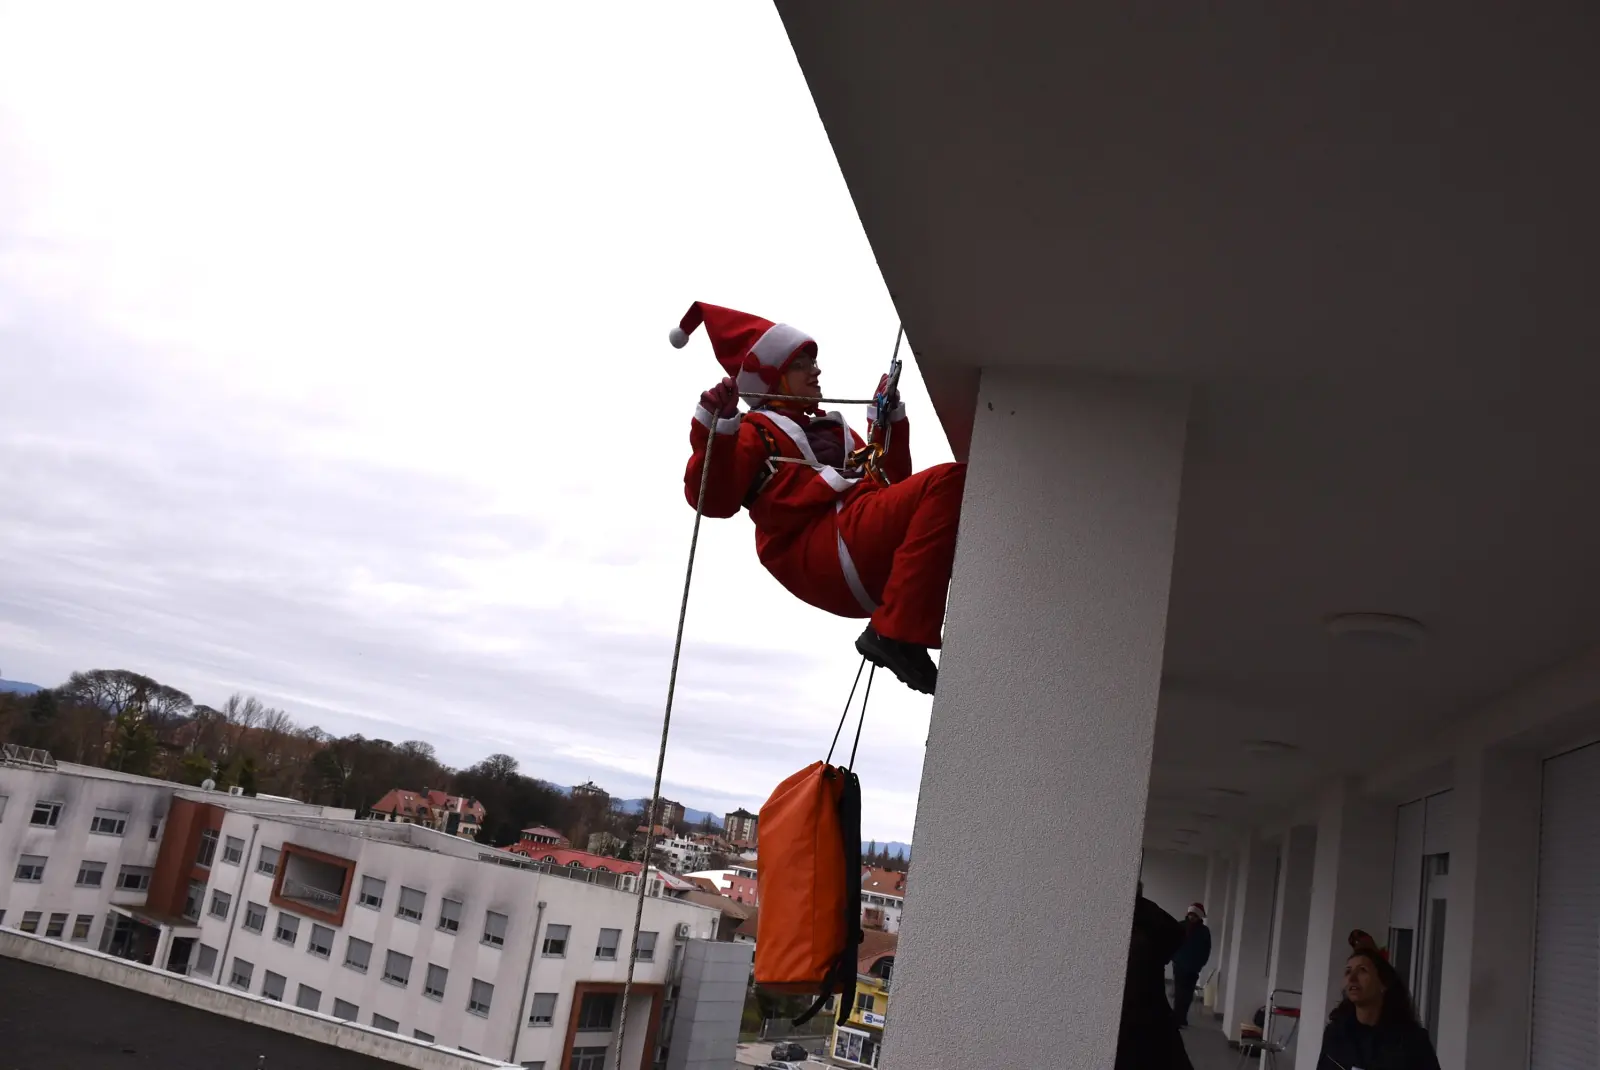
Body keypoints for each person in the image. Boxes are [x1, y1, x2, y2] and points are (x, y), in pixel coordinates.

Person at [674, 301, 966, 694]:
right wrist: (717, 428)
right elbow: (712, 500)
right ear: (772, 377)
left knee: (961, 499)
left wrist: (886, 426)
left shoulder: (833, 431)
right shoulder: (754, 430)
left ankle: (903, 626)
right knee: (951, 482)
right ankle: (897, 633)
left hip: (856, 550)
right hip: (823, 548)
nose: (816, 370)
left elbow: (893, 488)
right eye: (802, 363)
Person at [1318, 947, 1441, 1070]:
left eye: (1362, 970)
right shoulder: (1335, 1034)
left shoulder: (1413, 1041)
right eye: (1348, 971)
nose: (1352, 978)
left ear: (1383, 984)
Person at [1115, 883, 1195, 1070]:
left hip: (1140, 1009)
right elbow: (1176, 934)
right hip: (1149, 1007)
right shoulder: (1151, 920)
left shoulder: (1142, 924)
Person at [1171, 902, 1211, 1028]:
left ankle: (1182, 1017)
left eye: (1194, 916)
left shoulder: (1204, 931)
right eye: (1190, 915)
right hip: (1179, 964)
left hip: (1194, 967)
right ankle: (1177, 1017)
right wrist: (1174, 957)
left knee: (1188, 993)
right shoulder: (1180, 926)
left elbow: (1206, 949)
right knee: (1179, 991)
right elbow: (1171, 942)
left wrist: (1201, 964)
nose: (1192, 918)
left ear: (1199, 917)